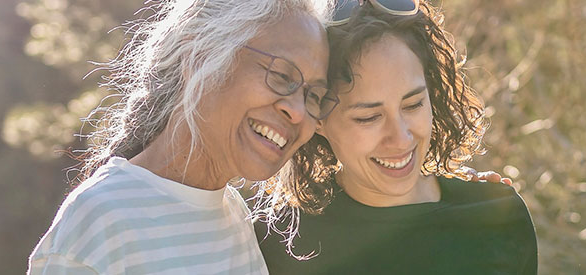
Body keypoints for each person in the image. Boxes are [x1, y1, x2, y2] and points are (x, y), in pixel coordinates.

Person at [27, 0, 333, 273]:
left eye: (314, 96)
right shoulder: (100, 221)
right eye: (281, 76)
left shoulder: (233, 214)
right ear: (199, 55)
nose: (299, 112)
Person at [252, 0, 537, 273]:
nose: (400, 139)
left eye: (413, 105)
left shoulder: (498, 216)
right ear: (317, 117)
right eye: (369, 117)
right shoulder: (281, 243)